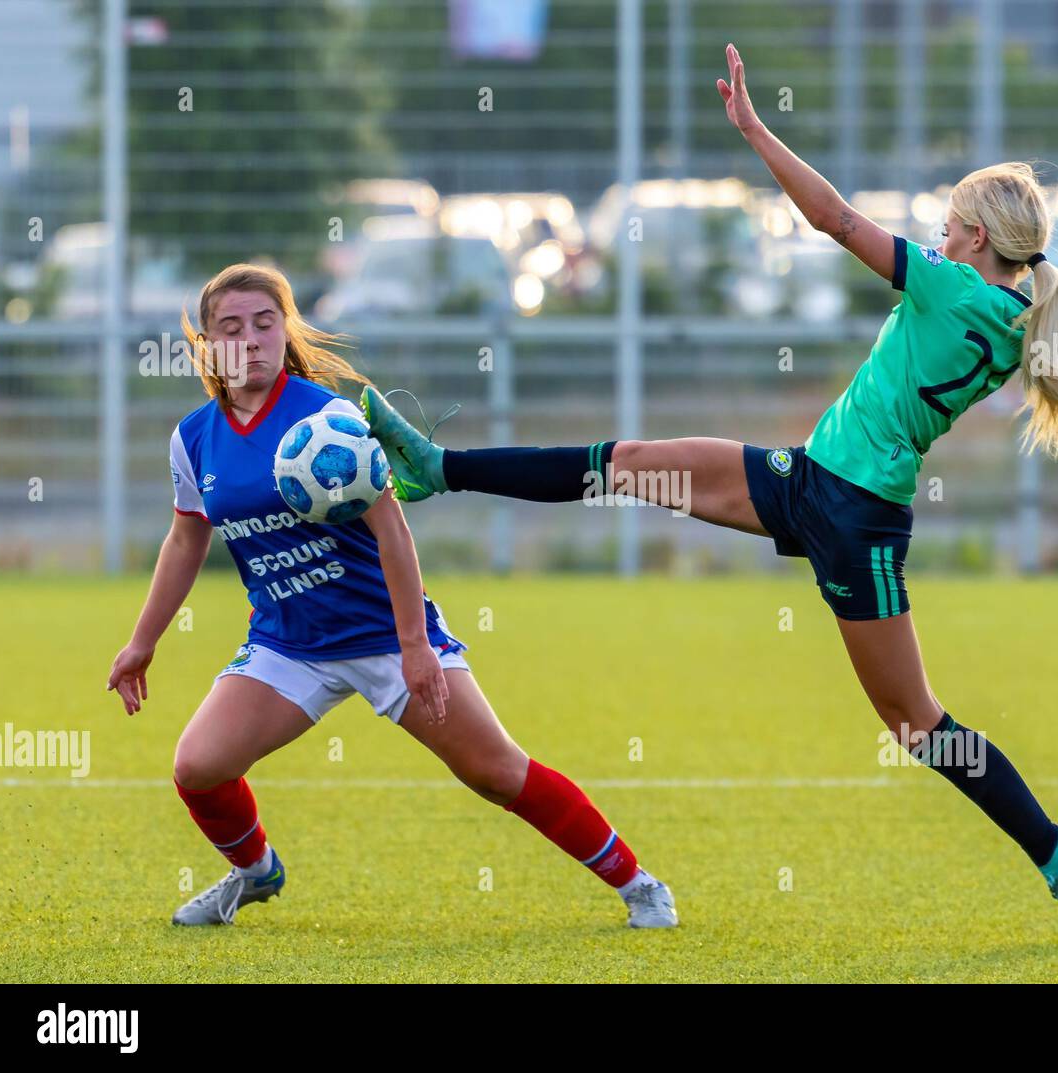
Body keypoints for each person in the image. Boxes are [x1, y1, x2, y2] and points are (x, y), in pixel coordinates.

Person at [360, 44, 1058, 944]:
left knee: (917, 722)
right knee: (625, 462)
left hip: (857, 521)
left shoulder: (947, 287)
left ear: (976, 239)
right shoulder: (1020, 325)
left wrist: (754, 130)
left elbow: (831, 216)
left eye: (949, 223)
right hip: (808, 483)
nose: (940, 235)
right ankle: (440, 468)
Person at [106, 263, 677, 929]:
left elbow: (392, 527)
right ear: (207, 345)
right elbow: (185, 539)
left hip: (385, 633)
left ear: (285, 331)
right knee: (199, 765)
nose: (251, 339)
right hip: (288, 644)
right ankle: (254, 871)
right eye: (231, 328)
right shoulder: (193, 438)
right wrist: (141, 642)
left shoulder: (328, 417)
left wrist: (414, 645)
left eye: (265, 323)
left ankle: (639, 885)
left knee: (495, 771)